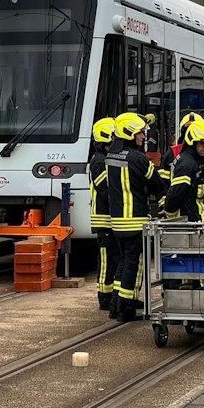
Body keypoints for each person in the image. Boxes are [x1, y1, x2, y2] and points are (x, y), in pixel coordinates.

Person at [98, 112, 158, 321]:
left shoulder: (111, 156)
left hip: (117, 221)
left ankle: (116, 304)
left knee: (123, 262)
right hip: (135, 220)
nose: (143, 136)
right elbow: (157, 184)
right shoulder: (138, 158)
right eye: (140, 133)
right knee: (133, 264)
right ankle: (125, 309)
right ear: (130, 133)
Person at [162, 117, 204, 222]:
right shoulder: (187, 164)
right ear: (192, 141)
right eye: (202, 143)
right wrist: (169, 214)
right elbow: (175, 194)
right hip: (191, 223)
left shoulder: (196, 160)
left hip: (197, 221)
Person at [88, 117, 117, 313]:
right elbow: (106, 190)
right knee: (107, 260)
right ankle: (105, 297)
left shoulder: (105, 157)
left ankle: (112, 295)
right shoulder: (99, 161)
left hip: (110, 218)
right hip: (103, 218)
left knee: (114, 258)